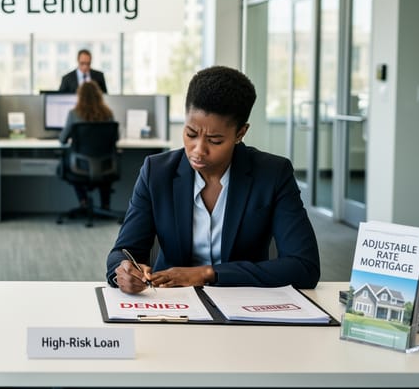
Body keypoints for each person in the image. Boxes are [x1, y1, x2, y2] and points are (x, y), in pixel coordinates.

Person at [108, 66, 320, 292]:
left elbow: (304, 267)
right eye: (190, 134)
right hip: (172, 301)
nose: (198, 150)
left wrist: (207, 274)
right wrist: (122, 271)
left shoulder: (273, 174)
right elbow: (123, 251)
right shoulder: (156, 172)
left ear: (240, 133)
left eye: (215, 140)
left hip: (242, 301)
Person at [58, 80, 115, 210]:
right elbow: (115, 139)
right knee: (103, 164)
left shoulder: (74, 114)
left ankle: (83, 201)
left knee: (68, 165)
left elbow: (62, 140)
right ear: (99, 95)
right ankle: (105, 205)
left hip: (80, 166)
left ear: (80, 96)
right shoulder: (108, 114)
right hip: (106, 166)